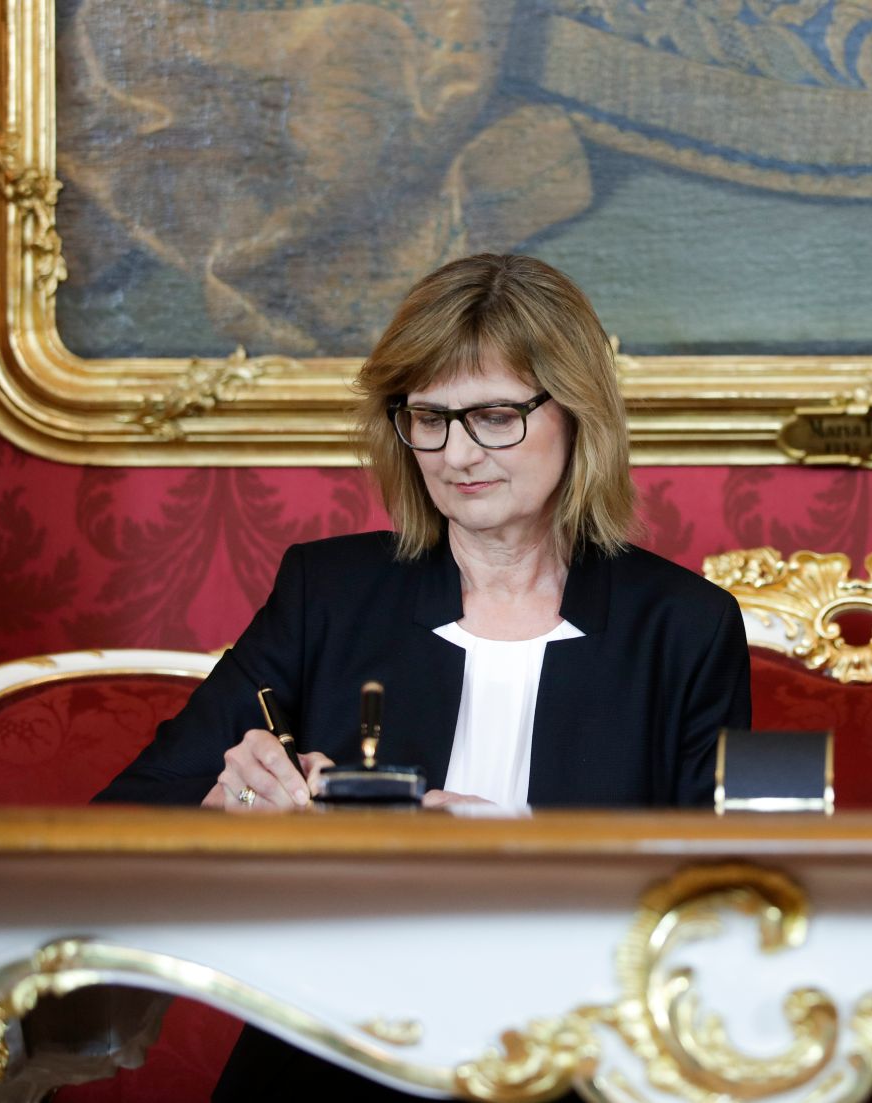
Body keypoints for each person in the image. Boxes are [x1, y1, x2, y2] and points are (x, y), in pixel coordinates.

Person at [96, 253, 752, 1100]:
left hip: (585, 1063)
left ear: (577, 412)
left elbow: (727, 909)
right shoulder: (327, 594)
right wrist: (232, 813)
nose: (457, 454)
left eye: (494, 416)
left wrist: (524, 858)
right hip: (336, 1057)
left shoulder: (686, 626)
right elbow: (121, 822)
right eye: (429, 418)